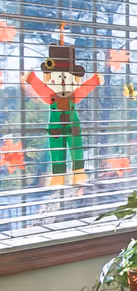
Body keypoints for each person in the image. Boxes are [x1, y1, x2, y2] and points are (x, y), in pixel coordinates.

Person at [26, 39, 101, 186]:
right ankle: (58, 175)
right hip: (55, 127)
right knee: (56, 151)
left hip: (73, 125)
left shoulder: (73, 96)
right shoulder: (51, 96)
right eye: (57, 78)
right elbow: (42, 89)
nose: (61, 82)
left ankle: (78, 173)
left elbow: (83, 89)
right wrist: (32, 79)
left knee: (76, 148)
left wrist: (94, 80)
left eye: (66, 78)